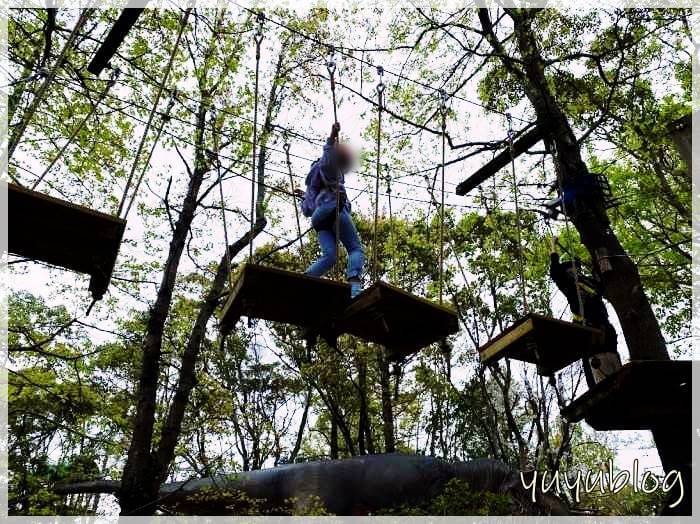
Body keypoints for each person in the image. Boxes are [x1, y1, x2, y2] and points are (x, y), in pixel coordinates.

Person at [300, 122, 365, 298]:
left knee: (330, 256)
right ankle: (354, 286)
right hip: (333, 209)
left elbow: (307, 210)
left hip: (319, 218)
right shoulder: (329, 170)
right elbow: (327, 163)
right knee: (355, 250)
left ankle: (307, 278)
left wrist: (303, 198)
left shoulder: (312, 186)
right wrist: (332, 136)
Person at [549, 239, 621, 388]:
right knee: (598, 365)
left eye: (575, 268)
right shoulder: (568, 284)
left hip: (605, 328)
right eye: (570, 269)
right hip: (588, 328)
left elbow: (601, 282)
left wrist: (597, 260)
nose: (574, 271)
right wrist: (553, 245)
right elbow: (555, 270)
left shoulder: (588, 282)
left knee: (613, 361)